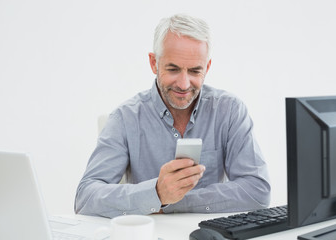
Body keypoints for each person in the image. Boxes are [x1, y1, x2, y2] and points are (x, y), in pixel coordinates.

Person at [75, 14, 271, 218]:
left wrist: (169, 201)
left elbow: (257, 191)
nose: (184, 84)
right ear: (154, 63)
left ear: (207, 67)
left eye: (195, 71)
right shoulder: (125, 118)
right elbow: (86, 197)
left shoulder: (230, 111)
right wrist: (157, 192)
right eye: (173, 69)